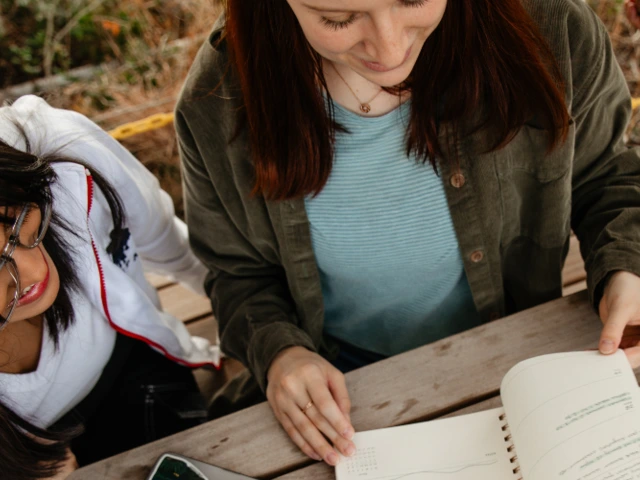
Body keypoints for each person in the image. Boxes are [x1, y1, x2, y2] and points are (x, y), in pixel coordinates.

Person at [175, 0, 640, 468]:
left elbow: (605, 175)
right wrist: (283, 353)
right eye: (338, 19)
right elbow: (237, 271)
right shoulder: (216, 101)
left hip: (522, 361)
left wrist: (626, 264)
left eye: (412, 0)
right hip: (347, 398)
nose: (390, 48)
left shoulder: (552, 25)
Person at [0, 95, 220, 480]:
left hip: (130, 370)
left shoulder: (60, 149)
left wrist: (255, 331)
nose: (35, 271)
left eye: (16, 223)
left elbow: (171, 246)